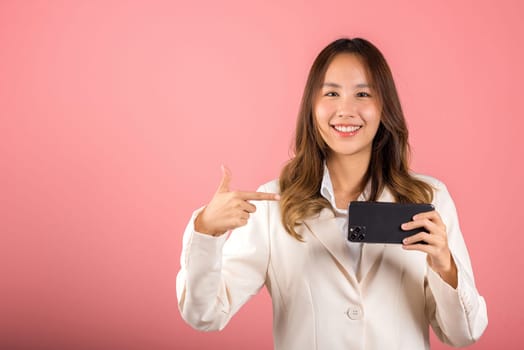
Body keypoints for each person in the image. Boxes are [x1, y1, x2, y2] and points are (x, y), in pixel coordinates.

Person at [176, 38, 488, 349]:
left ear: (385, 107)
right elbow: (205, 314)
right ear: (312, 106)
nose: (346, 110)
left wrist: (445, 265)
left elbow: (464, 335)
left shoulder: (429, 199)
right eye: (332, 93)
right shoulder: (274, 204)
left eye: (363, 94)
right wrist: (206, 230)